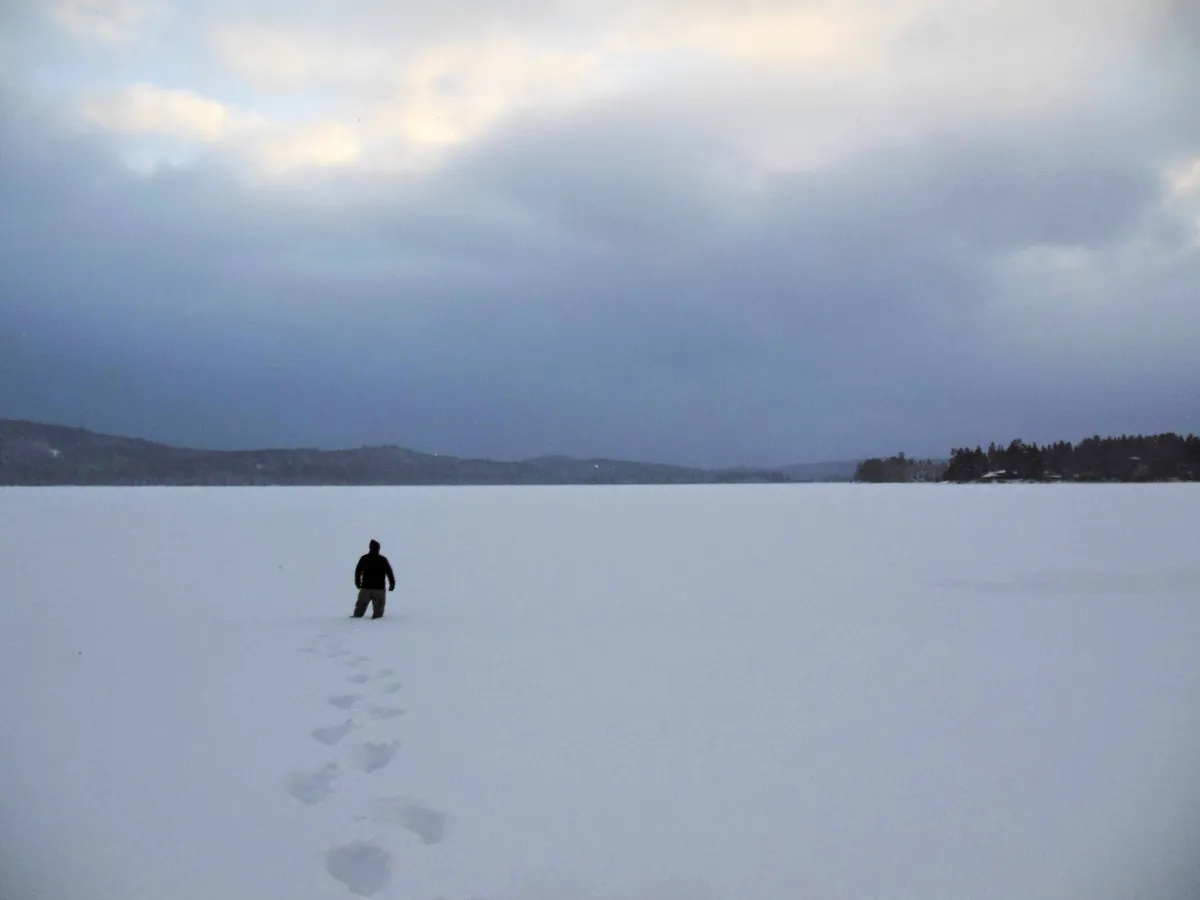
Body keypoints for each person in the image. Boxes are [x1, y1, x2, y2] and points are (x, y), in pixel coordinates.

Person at [353, 539, 395, 619]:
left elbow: (358, 572)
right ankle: (376, 628)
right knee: (378, 615)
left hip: (366, 588)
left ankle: (355, 623)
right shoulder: (382, 560)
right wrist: (392, 584)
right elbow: (389, 573)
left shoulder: (364, 558)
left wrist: (357, 582)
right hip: (379, 589)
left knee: (359, 610)